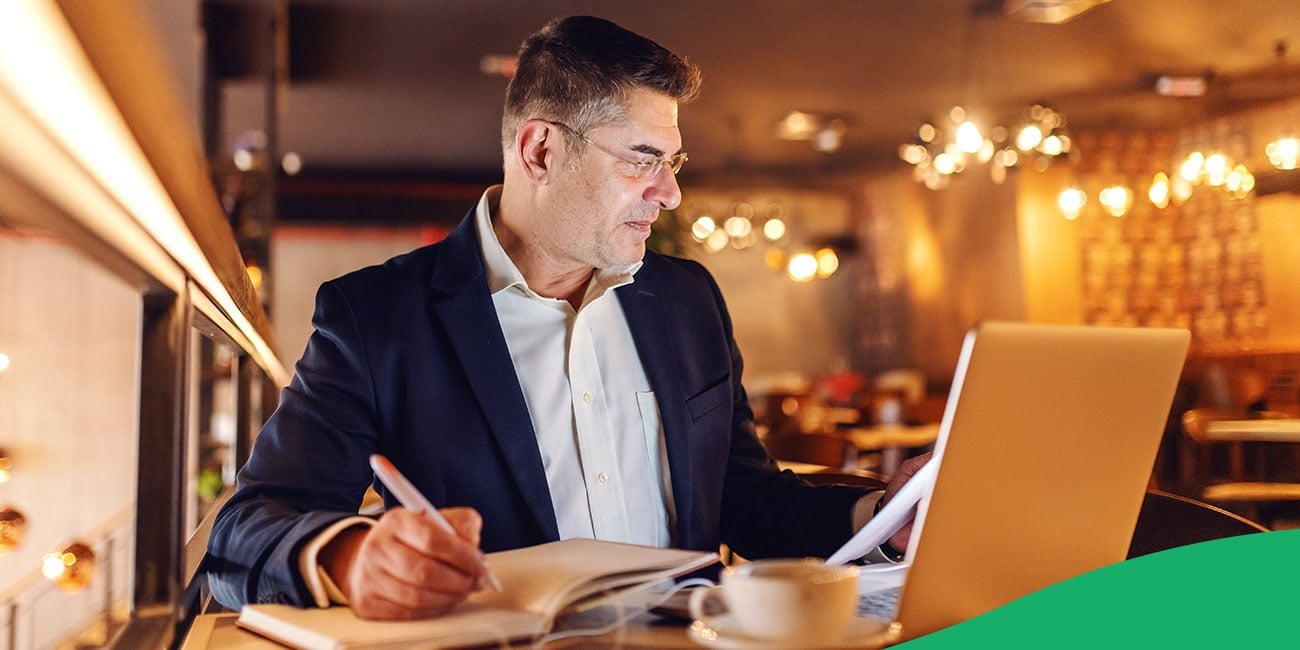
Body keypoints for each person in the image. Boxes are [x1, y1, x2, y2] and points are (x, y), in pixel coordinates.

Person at [206, 15, 928, 621]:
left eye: (673, 161)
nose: (670, 194)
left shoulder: (686, 300)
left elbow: (745, 500)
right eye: (643, 159)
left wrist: (884, 517)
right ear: (541, 150)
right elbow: (243, 531)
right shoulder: (377, 318)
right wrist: (352, 557)